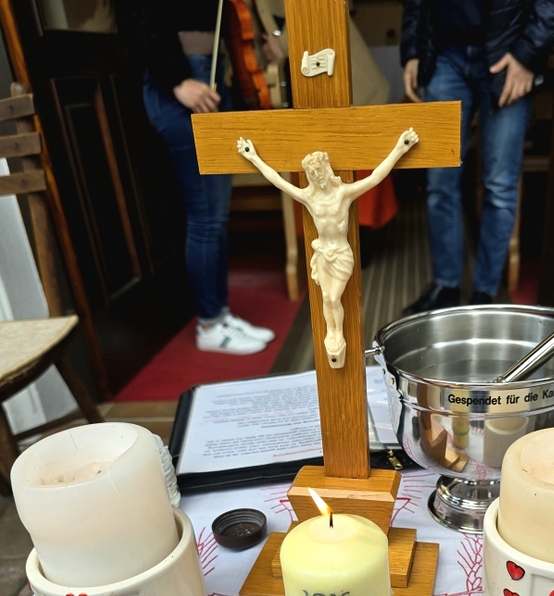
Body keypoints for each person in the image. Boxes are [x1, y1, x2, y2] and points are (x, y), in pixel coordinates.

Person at [116, 0, 275, 354]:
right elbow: (134, 13)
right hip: (182, 79)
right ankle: (209, 325)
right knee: (205, 218)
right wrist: (175, 78)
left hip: (210, 72)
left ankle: (220, 313)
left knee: (216, 216)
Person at [400, 0, 554, 315]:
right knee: (439, 183)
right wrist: (412, 50)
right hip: (443, 53)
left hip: (510, 51)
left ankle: (484, 294)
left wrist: (529, 54)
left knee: (499, 185)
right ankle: (445, 286)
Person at [238, 130, 419, 367]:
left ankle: (338, 333)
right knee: (326, 297)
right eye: (313, 174)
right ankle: (332, 334)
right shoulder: (309, 197)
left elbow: (375, 177)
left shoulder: (343, 193)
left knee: (334, 298)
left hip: (341, 254)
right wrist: (253, 157)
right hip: (323, 253)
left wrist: (400, 148)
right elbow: (278, 181)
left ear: (327, 169)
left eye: (320, 171)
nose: (318, 177)